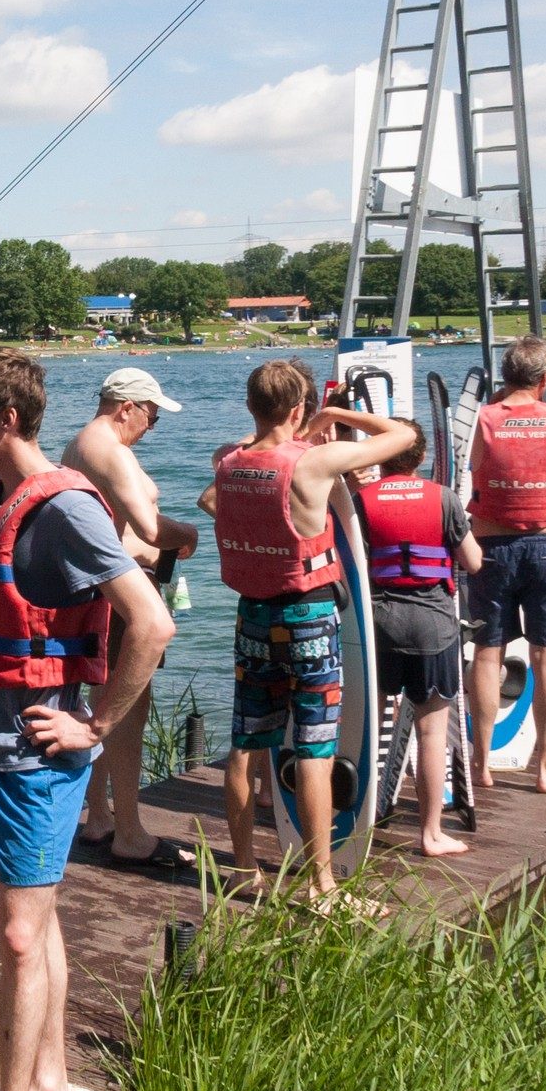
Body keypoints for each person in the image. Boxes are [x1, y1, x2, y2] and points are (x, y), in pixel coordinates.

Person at [0, 347, 173, 1091]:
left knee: (17, 934)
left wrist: (94, 723)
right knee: (33, 927)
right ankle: (47, 1088)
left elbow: (152, 623)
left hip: (37, 757)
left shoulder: (65, 509)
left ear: (5, 419)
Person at [203, 360, 415, 895]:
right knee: (315, 748)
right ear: (298, 409)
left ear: (250, 406)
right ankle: (322, 885)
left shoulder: (227, 462)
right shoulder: (314, 463)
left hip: (254, 618)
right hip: (310, 617)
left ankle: (244, 870)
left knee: (246, 744)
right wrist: (332, 417)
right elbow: (402, 436)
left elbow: (212, 500)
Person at [62, 367, 200, 868]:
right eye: (152, 417)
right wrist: (189, 535)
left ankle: (100, 816)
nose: (151, 427)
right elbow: (148, 528)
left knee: (106, 699)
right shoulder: (110, 451)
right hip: (117, 596)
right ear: (127, 408)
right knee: (127, 708)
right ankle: (130, 832)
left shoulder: (83, 444)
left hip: (100, 590)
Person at [351, 419, 482, 857]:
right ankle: (430, 834)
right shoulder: (443, 498)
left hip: (379, 623)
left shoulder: (362, 500)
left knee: (366, 728)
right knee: (431, 732)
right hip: (433, 626)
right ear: (421, 456)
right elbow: (473, 562)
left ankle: (355, 822)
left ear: (381, 457)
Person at [465, 336, 546, 795]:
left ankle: (481, 764)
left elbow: (474, 469)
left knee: (488, 652)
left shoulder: (484, 417)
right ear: (545, 379)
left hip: (492, 543)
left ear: (504, 376)